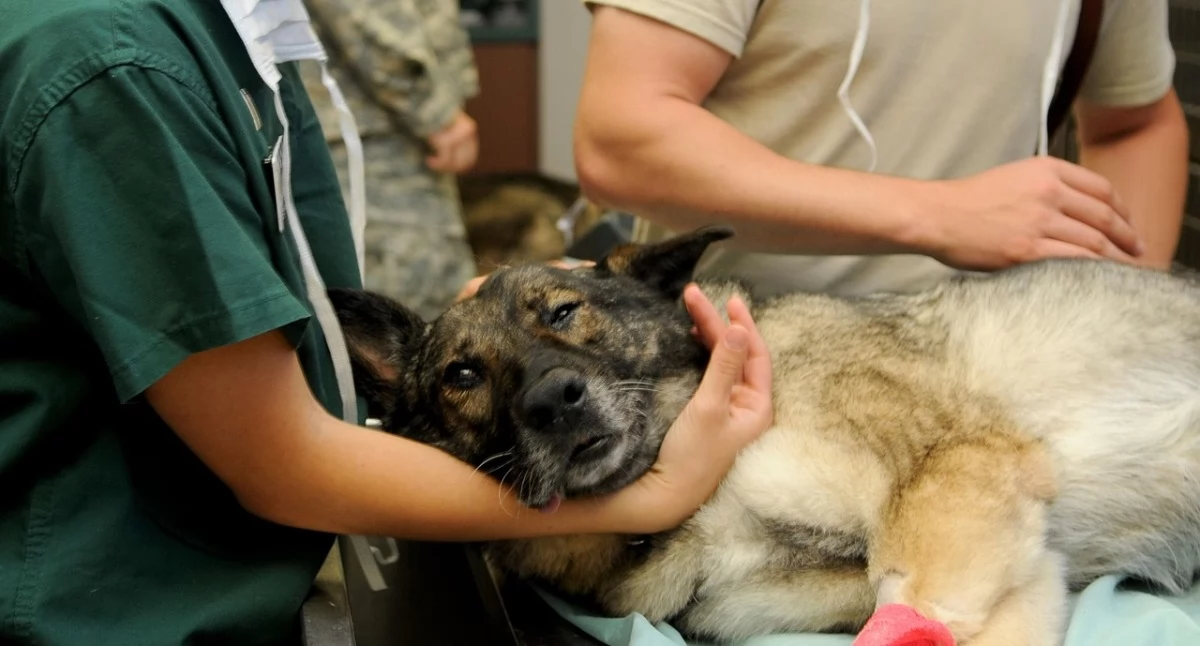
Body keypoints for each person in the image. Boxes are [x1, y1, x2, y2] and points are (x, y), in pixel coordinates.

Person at [0, 1, 774, 644]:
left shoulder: (235, 32)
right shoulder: (115, 68)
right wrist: (657, 494)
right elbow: (280, 461)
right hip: (115, 612)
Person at [572, 1, 1189, 299]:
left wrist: (1122, 314)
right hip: (741, 378)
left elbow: (1135, 124)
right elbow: (621, 139)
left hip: (1000, 377)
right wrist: (942, 215)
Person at [302, 0, 484, 320]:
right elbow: (369, 13)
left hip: (380, 129)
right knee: (409, 309)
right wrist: (436, 111)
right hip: (371, 136)